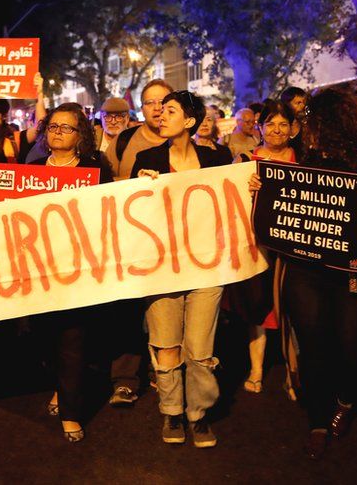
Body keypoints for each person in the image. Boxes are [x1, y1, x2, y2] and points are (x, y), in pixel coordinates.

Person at [250, 89, 357, 460]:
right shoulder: (305, 159)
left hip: (350, 273)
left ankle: (346, 401)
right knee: (313, 344)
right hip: (306, 269)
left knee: (352, 344)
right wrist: (260, 189)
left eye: (313, 118)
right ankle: (318, 418)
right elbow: (282, 204)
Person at [131, 90, 232, 448]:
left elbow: (232, 204)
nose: (160, 115)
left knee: (201, 348)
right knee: (166, 344)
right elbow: (132, 215)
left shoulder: (217, 158)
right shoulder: (147, 159)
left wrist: (251, 187)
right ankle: (172, 411)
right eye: (159, 109)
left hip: (206, 268)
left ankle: (198, 414)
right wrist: (137, 188)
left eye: (170, 110)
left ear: (189, 121)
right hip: (162, 270)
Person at [27, 103, 114, 442]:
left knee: (72, 339)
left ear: (81, 137)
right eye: (53, 127)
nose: (58, 132)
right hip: (38, 269)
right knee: (44, 338)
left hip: (78, 268)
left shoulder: (95, 169)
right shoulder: (31, 168)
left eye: (67, 127)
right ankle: (58, 388)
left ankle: (71, 411)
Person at [100, 78, 174, 408]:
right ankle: (127, 379)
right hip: (132, 239)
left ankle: (167, 371)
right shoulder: (127, 139)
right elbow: (108, 182)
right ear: (140, 109)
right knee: (128, 311)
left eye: (163, 102)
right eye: (149, 102)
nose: (156, 109)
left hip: (173, 240)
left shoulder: (188, 144)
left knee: (170, 309)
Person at [231, 101, 296, 395]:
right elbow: (229, 201)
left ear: (293, 129)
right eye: (270, 124)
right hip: (256, 246)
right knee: (258, 306)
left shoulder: (304, 160)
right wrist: (246, 187)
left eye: (283, 124)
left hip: (294, 249)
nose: (277, 130)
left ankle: (293, 373)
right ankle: (256, 369)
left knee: (294, 309)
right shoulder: (244, 160)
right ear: (260, 127)